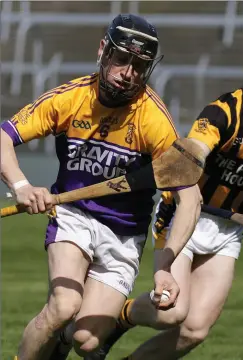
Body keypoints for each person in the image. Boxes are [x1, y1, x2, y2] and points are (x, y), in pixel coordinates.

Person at [91, 24, 243, 360]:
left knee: (195, 329)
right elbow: (194, 149)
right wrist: (189, 156)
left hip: (228, 229)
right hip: (185, 216)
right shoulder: (224, 111)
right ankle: (121, 317)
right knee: (171, 312)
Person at [2, 14, 203, 360]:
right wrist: (21, 185)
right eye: (122, 59)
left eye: (139, 66)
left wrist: (165, 266)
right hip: (73, 216)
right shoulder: (70, 98)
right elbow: (3, 137)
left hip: (124, 235)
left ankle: (60, 341)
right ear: (103, 52)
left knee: (87, 340)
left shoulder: (153, 119)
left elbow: (190, 198)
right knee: (65, 305)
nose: (128, 73)